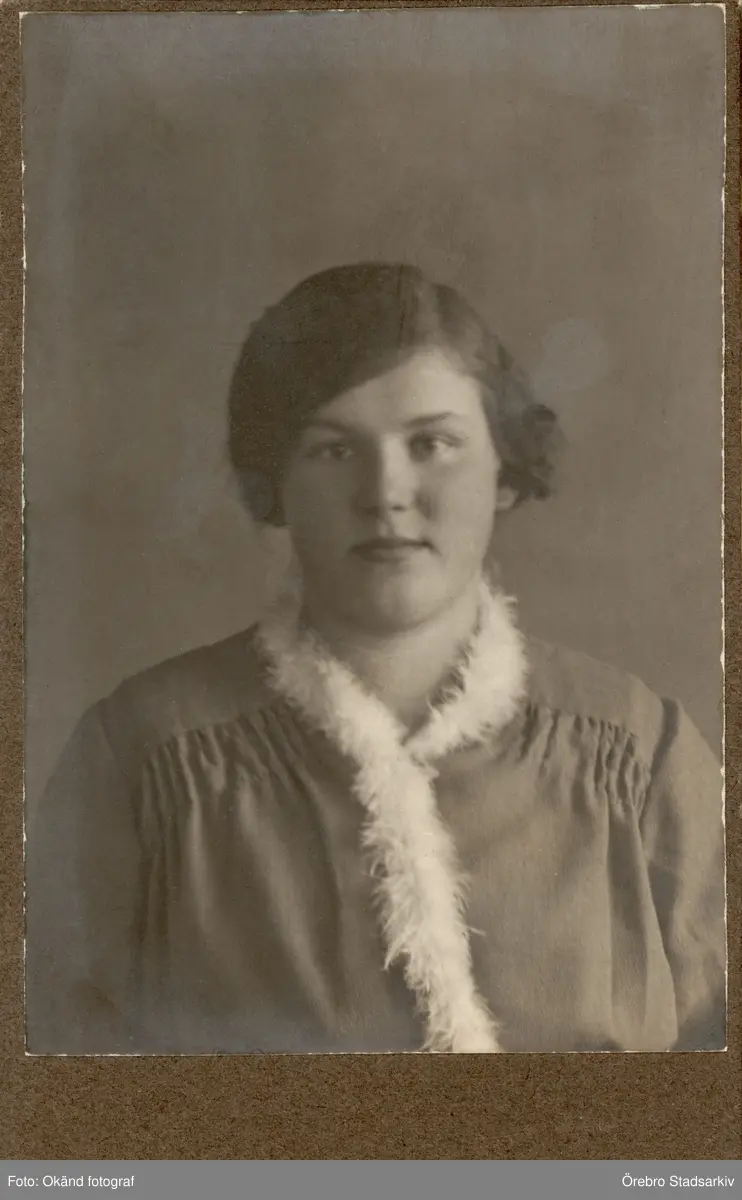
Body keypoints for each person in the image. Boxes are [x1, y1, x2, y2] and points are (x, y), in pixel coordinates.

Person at [25, 263, 725, 1055]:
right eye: (332, 450)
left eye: (433, 444)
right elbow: (61, 1087)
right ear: (275, 482)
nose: (386, 491)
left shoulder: (639, 755)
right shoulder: (143, 758)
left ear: (503, 467)